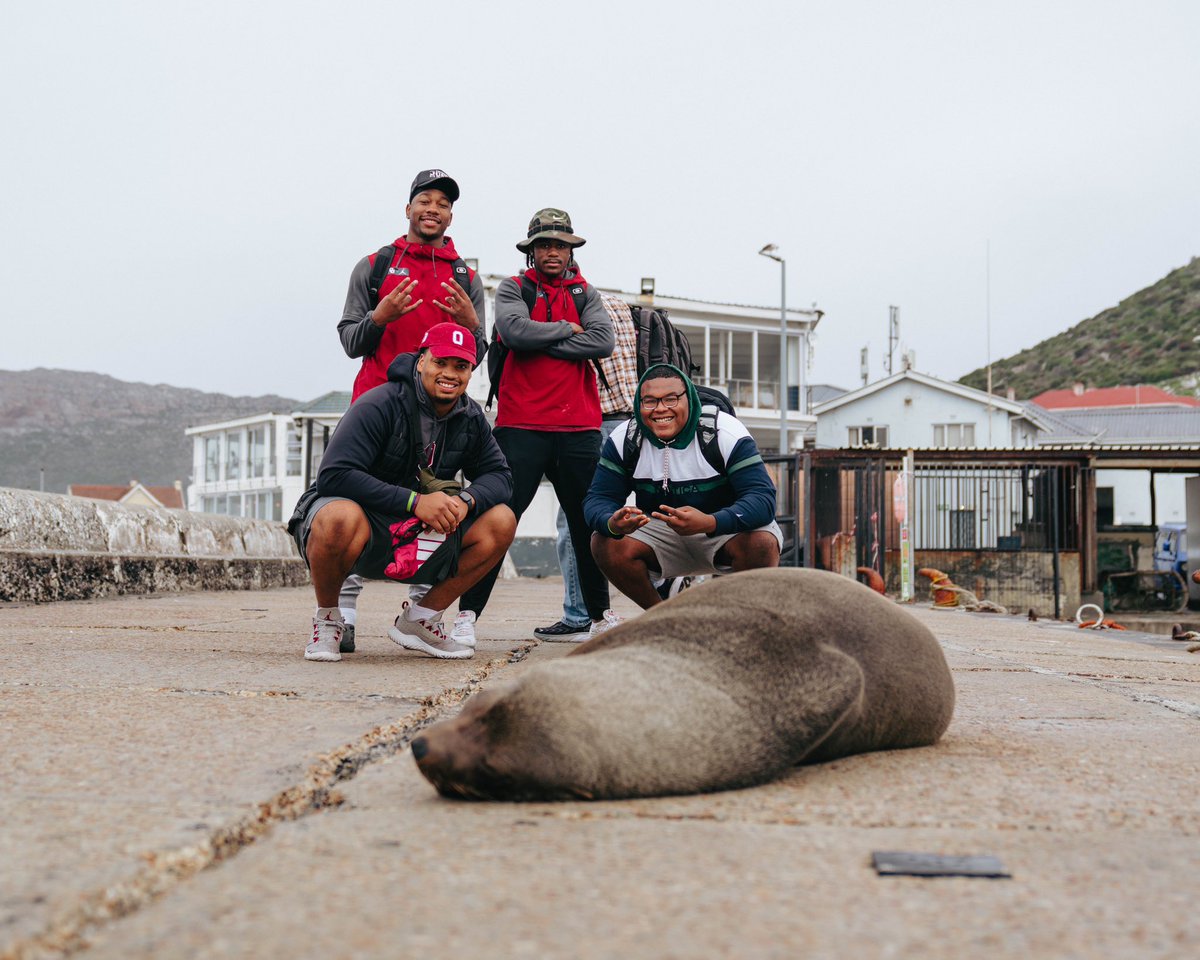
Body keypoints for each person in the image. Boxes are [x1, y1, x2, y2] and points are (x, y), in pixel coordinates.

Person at [290, 323, 515, 662]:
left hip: (417, 534)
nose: (450, 374)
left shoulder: (470, 416)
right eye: (441, 362)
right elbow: (334, 475)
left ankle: (421, 620)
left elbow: (500, 476)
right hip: (367, 525)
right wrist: (415, 501)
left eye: (461, 366)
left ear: (470, 372)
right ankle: (328, 619)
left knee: (501, 520)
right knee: (338, 516)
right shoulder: (379, 403)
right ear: (421, 360)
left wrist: (465, 501)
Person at [335, 168, 487, 652]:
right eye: (425, 200)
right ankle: (342, 612)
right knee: (358, 504)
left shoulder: (466, 277)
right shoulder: (375, 265)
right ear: (408, 209)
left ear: (450, 215)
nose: (433, 209)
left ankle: (423, 615)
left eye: (443, 203)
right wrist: (380, 316)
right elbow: (349, 341)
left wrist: (472, 326)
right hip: (377, 409)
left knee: (437, 505)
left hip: (439, 418)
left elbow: (469, 359)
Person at [457, 208, 618, 637]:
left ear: (571, 250)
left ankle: (600, 619)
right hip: (521, 425)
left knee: (586, 525)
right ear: (532, 250)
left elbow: (603, 341)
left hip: (580, 427)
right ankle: (465, 618)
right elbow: (512, 331)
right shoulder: (514, 288)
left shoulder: (587, 293)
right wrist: (568, 331)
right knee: (498, 520)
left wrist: (544, 338)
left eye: (561, 245)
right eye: (544, 244)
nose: (553, 252)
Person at [584, 363, 782, 608]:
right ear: (638, 404)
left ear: (689, 400)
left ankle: (740, 619)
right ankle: (661, 618)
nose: (660, 409)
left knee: (762, 542)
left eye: (671, 399)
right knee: (604, 542)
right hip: (661, 535)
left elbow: (763, 499)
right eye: (650, 401)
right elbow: (597, 499)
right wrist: (612, 522)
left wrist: (711, 522)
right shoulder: (625, 438)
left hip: (720, 531)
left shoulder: (724, 431)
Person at [534, 293, 637, 641]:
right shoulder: (623, 306)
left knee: (576, 521)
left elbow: (545, 349)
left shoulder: (577, 308)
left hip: (596, 423)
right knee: (640, 510)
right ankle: (667, 591)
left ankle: (579, 616)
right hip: (634, 422)